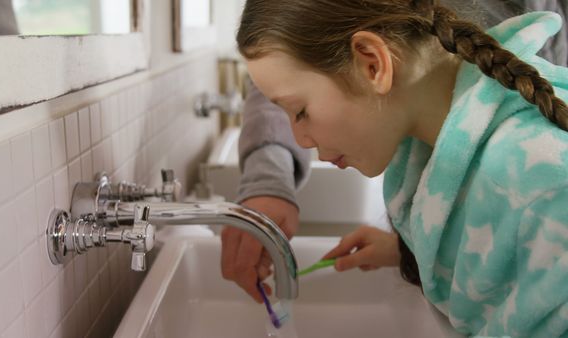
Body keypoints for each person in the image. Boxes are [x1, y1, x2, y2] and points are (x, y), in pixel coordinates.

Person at [226, 0, 568, 336]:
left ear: (373, 64)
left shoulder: (543, 187)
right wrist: (417, 251)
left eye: (299, 112)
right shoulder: (434, 146)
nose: (299, 140)